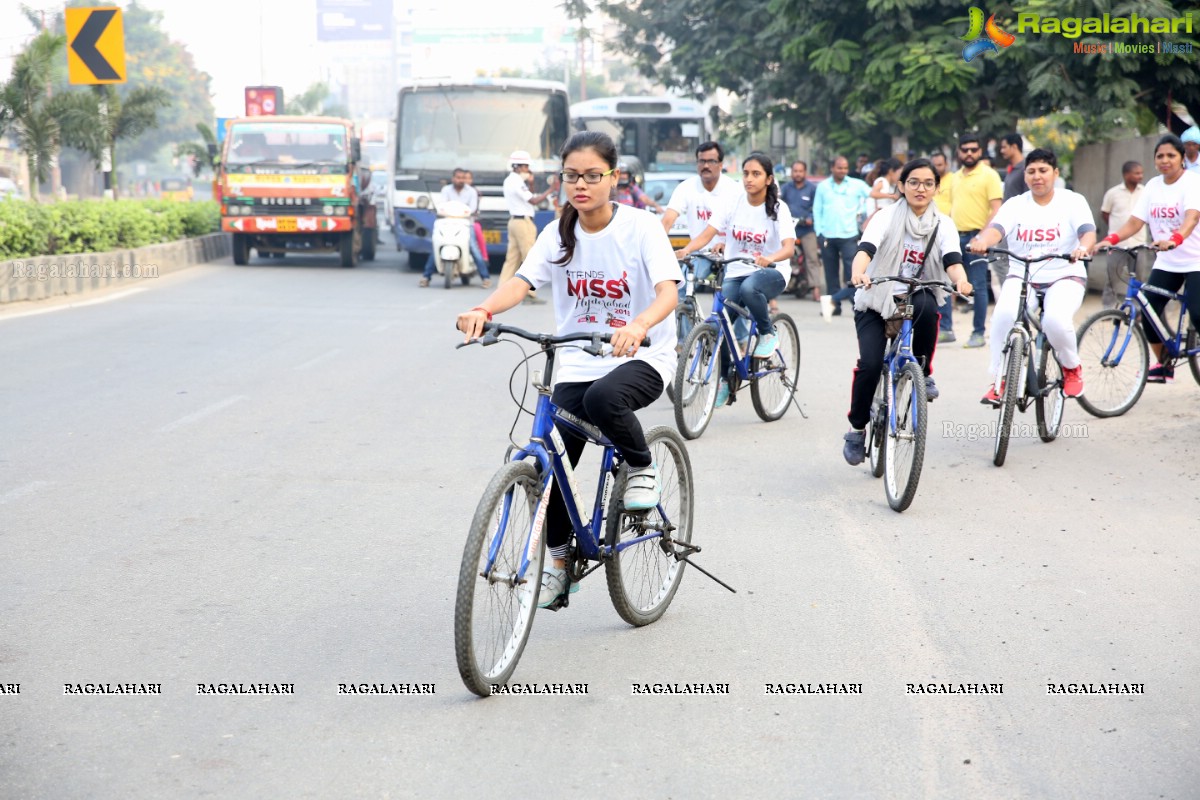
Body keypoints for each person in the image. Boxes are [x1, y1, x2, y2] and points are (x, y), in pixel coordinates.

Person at [456, 131, 681, 608]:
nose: (581, 185)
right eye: (572, 176)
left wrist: (639, 325)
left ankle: (642, 466)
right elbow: (521, 281)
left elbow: (667, 292)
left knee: (604, 400)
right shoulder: (558, 231)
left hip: (640, 356)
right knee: (550, 462)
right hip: (577, 358)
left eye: (592, 176)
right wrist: (485, 310)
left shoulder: (641, 227)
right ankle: (559, 562)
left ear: (613, 178)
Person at [840, 158, 973, 465]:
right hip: (876, 298)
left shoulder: (944, 224)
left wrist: (961, 281)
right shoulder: (886, 217)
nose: (920, 188)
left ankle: (923, 371)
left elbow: (952, 260)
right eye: (913, 182)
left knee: (927, 302)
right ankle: (857, 428)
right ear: (901, 186)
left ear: (937, 189)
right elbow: (866, 249)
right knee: (871, 365)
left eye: (928, 183)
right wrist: (859, 273)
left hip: (912, 298)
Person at [968, 148, 1095, 403]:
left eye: (1043, 171)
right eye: (1032, 172)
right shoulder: (1015, 204)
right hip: (1022, 275)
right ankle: (1000, 380)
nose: (1037, 177)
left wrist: (1083, 248)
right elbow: (996, 230)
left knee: (1055, 322)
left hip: (1064, 275)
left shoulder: (1073, 201)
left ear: (1055, 174)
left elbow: (1087, 232)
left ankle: (1071, 368)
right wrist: (982, 240)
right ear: (1025, 176)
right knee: (1003, 316)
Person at [675, 152, 795, 407]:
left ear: (769, 179)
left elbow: (788, 248)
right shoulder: (733, 201)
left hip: (772, 272)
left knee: (752, 289)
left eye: (756, 174)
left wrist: (769, 258)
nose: (749, 179)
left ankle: (766, 333)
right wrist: (687, 250)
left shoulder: (777, 208)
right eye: (746, 173)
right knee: (720, 324)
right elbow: (708, 233)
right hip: (736, 271)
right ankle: (727, 380)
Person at [1091, 134, 1200, 383]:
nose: (1165, 160)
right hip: (1167, 261)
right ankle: (1164, 365)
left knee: (1198, 312)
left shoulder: (1193, 183)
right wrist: (1112, 239)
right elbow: (1135, 222)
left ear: (1182, 158)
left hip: (1196, 260)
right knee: (1149, 312)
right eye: (1160, 156)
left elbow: (1192, 218)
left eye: (1171, 155)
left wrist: (1175, 239)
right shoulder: (1152, 186)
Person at [661, 141, 742, 309]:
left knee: (733, 295)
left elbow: (743, 226)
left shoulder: (734, 191)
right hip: (700, 253)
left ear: (720, 164)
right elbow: (668, 219)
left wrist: (727, 244)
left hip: (730, 253)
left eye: (711, 161)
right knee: (681, 290)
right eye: (701, 161)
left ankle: (739, 336)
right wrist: (656, 244)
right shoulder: (686, 187)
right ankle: (689, 336)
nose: (705, 165)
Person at [942, 134, 1003, 347]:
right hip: (954, 236)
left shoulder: (989, 175)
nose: (969, 153)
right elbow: (952, 207)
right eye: (965, 149)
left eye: (973, 149)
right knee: (946, 283)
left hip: (977, 238)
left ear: (980, 151)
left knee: (977, 285)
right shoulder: (955, 177)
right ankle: (946, 329)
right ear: (959, 152)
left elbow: (996, 209)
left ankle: (978, 333)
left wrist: (982, 237)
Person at [816, 156, 871, 319]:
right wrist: (819, 232)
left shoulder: (856, 185)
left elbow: (872, 195)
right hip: (828, 235)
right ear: (832, 168)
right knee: (830, 273)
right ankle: (834, 307)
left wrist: (865, 215)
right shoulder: (823, 186)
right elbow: (817, 210)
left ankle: (857, 304)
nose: (843, 171)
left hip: (849, 235)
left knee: (852, 272)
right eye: (839, 168)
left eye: (845, 168)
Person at [420, 167, 492, 288]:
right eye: (458, 178)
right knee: (438, 245)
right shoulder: (446, 190)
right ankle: (426, 277)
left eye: (463, 178)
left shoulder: (471, 191)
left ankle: (485, 278)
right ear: (453, 178)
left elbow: (472, 209)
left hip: (465, 224)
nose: (461, 180)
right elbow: (442, 206)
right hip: (447, 224)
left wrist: (460, 213)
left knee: (473, 247)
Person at [500, 149, 554, 304]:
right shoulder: (516, 181)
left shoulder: (511, 180)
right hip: (523, 223)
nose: (527, 170)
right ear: (516, 166)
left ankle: (501, 291)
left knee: (512, 259)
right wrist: (552, 189)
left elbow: (529, 196)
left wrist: (531, 183)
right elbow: (534, 201)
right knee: (530, 259)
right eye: (525, 167)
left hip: (514, 221)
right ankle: (530, 295)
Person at [1098, 161, 1151, 308]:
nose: (1140, 176)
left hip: (1138, 243)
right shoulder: (1112, 193)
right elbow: (1105, 213)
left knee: (1139, 278)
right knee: (1112, 278)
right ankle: (1108, 309)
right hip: (1117, 245)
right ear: (1126, 175)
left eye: (1141, 173)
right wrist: (1118, 231)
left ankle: (1138, 310)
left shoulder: (1145, 191)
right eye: (1136, 173)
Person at [780, 159, 822, 298]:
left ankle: (816, 288)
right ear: (791, 173)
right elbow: (778, 204)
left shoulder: (812, 189)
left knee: (812, 258)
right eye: (795, 171)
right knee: (780, 256)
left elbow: (816, 207)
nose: (798, 174)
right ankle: (779, 286)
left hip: (806, 230)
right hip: (789, 230)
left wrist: (810, 217)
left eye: (800, 171)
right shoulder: (786, 188)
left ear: (805, 172)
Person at [992, 133, 1027, 295]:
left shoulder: (1025, 169)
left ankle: (1013, 297)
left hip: (1019, 227)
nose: (1002, 150)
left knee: (999, 260)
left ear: (1014, 147)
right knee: (999, 260)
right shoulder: (1013, 169)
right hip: (1008, 225)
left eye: (1004, 146)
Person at [867, 158, 902, 222]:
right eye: (899, 173)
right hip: (878, 216)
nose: (900, 176)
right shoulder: (882, 181)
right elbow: (873, 193)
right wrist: (891, 196)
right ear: (891, 171)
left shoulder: (892, 185)